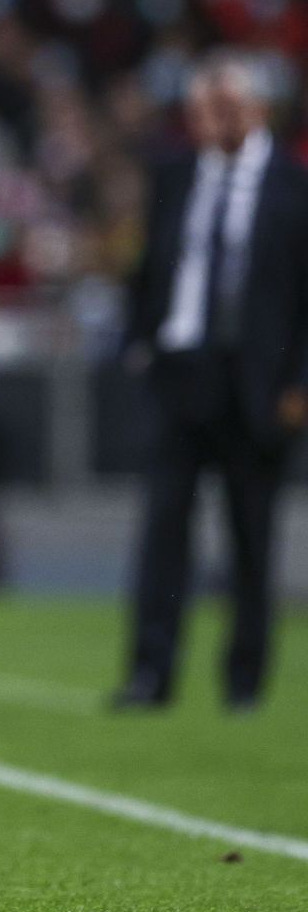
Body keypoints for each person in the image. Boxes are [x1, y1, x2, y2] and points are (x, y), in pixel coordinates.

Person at [116, 54, 308, 712]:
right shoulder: (176, 174)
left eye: (225, 106)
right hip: (179, 373)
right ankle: (150, 673)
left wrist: (298, 384)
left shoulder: (292, 186)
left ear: (259, 110)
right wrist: (137, 344)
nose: (210, 120)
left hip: (255, 383)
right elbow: (150, 268)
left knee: (252, 536)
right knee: (163, 531)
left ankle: (245, 680)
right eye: (204, 107)